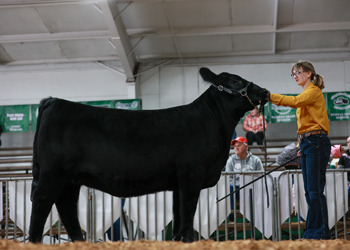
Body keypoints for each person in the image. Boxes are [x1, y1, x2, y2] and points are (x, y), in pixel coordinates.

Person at [269, 60, 331, 239]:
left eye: (298, 72)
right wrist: (300, 146)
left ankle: (317, 232)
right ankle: (317, 231)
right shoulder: (308, 93)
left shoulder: (313, 91)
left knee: (314, 190)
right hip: (308, 142)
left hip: (315, 141)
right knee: (310, 190)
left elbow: (295, 102)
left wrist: (269, 96)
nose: (295, 76)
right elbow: (304, 124)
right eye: (293, 74)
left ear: (309, 73)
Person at [225, 136, 263, 219]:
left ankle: (254, 218)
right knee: (230, 188)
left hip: (251, 186)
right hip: (236, 188)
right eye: (235, 146)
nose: (236, 148)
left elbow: (261, 175)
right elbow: (228, 178)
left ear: (246, 146)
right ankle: (231, 217)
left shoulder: (255, 160)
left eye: (239, 145)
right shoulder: (230, 160)